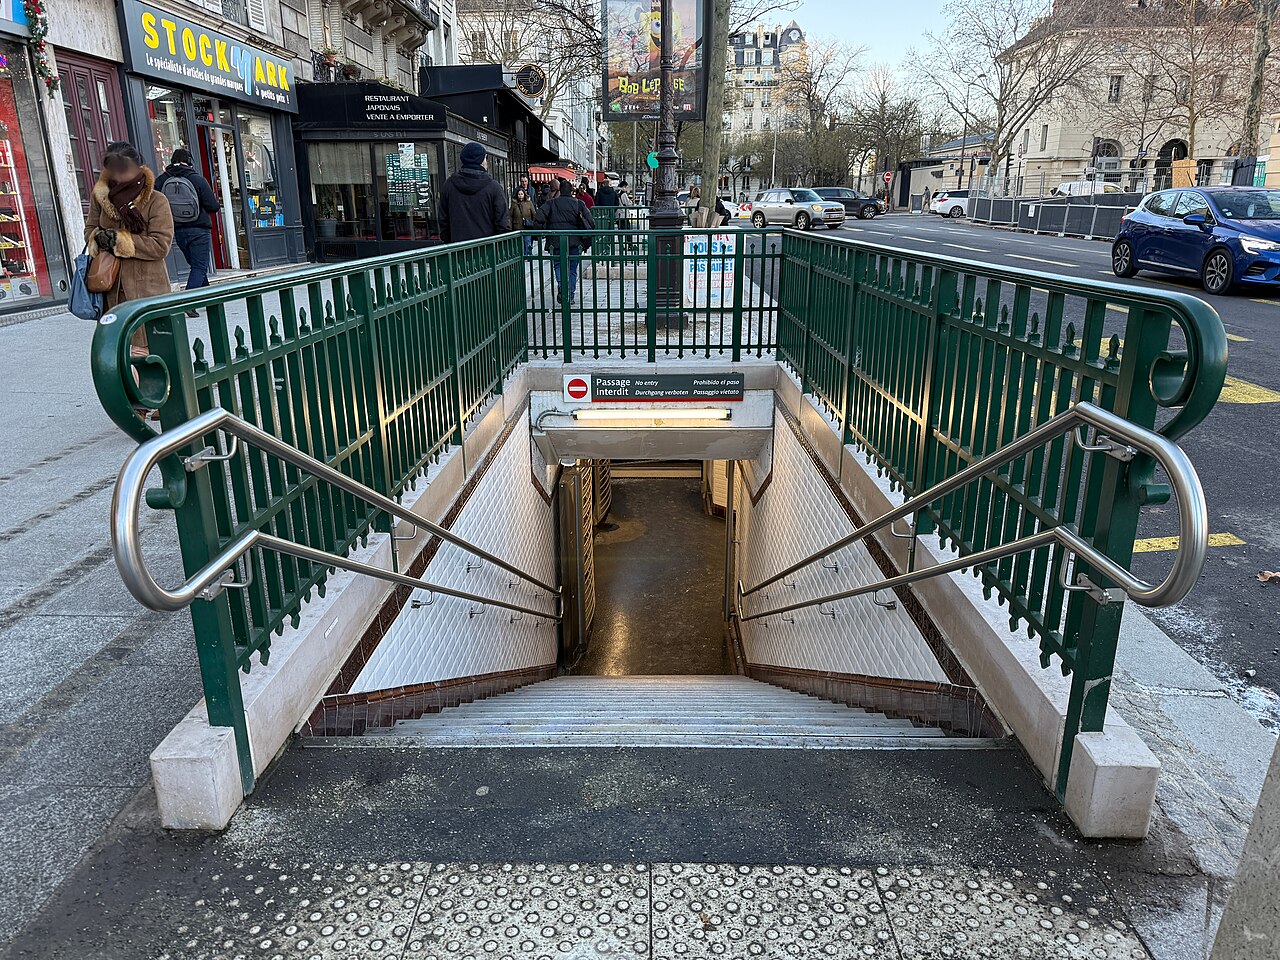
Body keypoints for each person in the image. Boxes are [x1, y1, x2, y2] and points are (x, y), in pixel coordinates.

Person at [85, 142, 175, 343]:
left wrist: (121, 240)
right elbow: (90, 229)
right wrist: (97, 238)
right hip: (109, 288)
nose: (119, 176)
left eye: (124, 169)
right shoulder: (100, 196)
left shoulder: (156, 200)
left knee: (147, 353)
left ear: (139, 166)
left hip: (146, 290)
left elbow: (160, 245)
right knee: (116, 353)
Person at [154, 147, 220, 316]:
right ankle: (188, 302)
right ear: (189, 161)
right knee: (199, 266)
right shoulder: (197, 179)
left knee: (197, 266)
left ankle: (208, 297)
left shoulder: (161, 181)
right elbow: (213, 206)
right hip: (199, 229)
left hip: (178, 230)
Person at [535, 179, 593, 305]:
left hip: (555, 241)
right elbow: (591, 222)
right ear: (572, 191)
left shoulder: (551, 203)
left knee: (558, 265)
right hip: (575, 240)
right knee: (572, 269)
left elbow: (539, 217)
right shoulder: (579, 204)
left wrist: (543, 229)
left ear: (560, 191)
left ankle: (562, 286)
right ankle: (570, 296)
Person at [439, 141, 510, 242]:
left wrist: (449, 242)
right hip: (487, 250)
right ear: (480, 161)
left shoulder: (449, 185)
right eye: (485, 158)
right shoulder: (494, 187)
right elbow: (503, 223)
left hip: (457, 250)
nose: (486, 162)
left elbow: (443, 220)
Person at [510, 186, 536, 255]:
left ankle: (527, 254)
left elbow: (534, 214)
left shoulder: (529, 203)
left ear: (524, 194)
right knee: (519, 243)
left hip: (527, 226)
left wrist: (533, 223)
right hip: (517, 227)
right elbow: (510, 215)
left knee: (527, 241)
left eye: (521, 194)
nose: (520, 195)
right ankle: (521, 255)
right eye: (519, 194)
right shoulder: (514, 204)